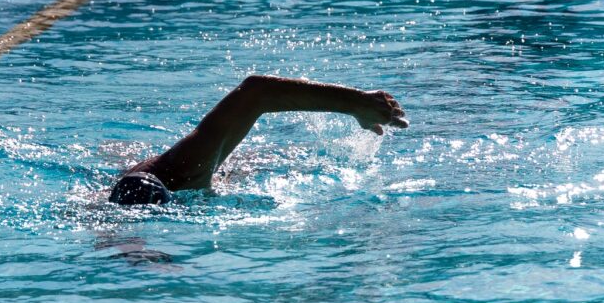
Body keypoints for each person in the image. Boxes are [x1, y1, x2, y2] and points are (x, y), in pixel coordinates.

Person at [109, 75, 408, 205]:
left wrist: (356, 103)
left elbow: (257, 91)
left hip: (188, 166)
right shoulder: (107, 208)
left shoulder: (186, 166)